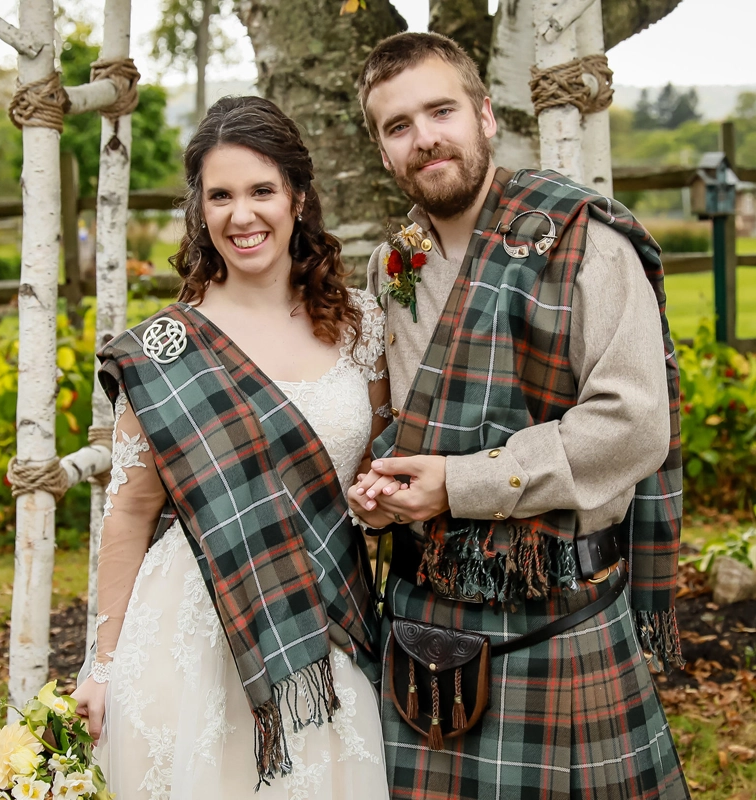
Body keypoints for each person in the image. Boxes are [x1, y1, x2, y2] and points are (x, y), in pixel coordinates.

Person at [347, 32, 689, 800]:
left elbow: (635, 425)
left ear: (486, 116)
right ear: (381, 148)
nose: (424, 137)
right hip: (421, 620)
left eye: (441, 111)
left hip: (560, 622)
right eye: (397, 126)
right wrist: (378, 490)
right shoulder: (388, 265)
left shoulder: (585, 244)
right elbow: (393, 422)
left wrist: (460, 484)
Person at [72, 95, 392, 800]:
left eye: (261, 191)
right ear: (200, 208)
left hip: (321, 626)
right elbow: (128, 517)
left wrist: (380, 503)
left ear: (298, 198)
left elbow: (376, 474)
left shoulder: (362, 328)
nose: (241, 216)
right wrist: (102, 661)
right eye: (220, 195)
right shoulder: (166, 352)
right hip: (189, 636)